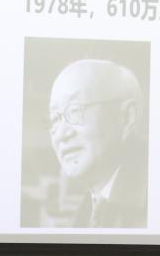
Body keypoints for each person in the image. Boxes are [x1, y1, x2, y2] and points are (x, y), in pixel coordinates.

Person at [47, 59, 147, 228]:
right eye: (55, 118)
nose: (61, 135)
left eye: (75, 110)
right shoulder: (90, 208)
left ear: (126, 117)